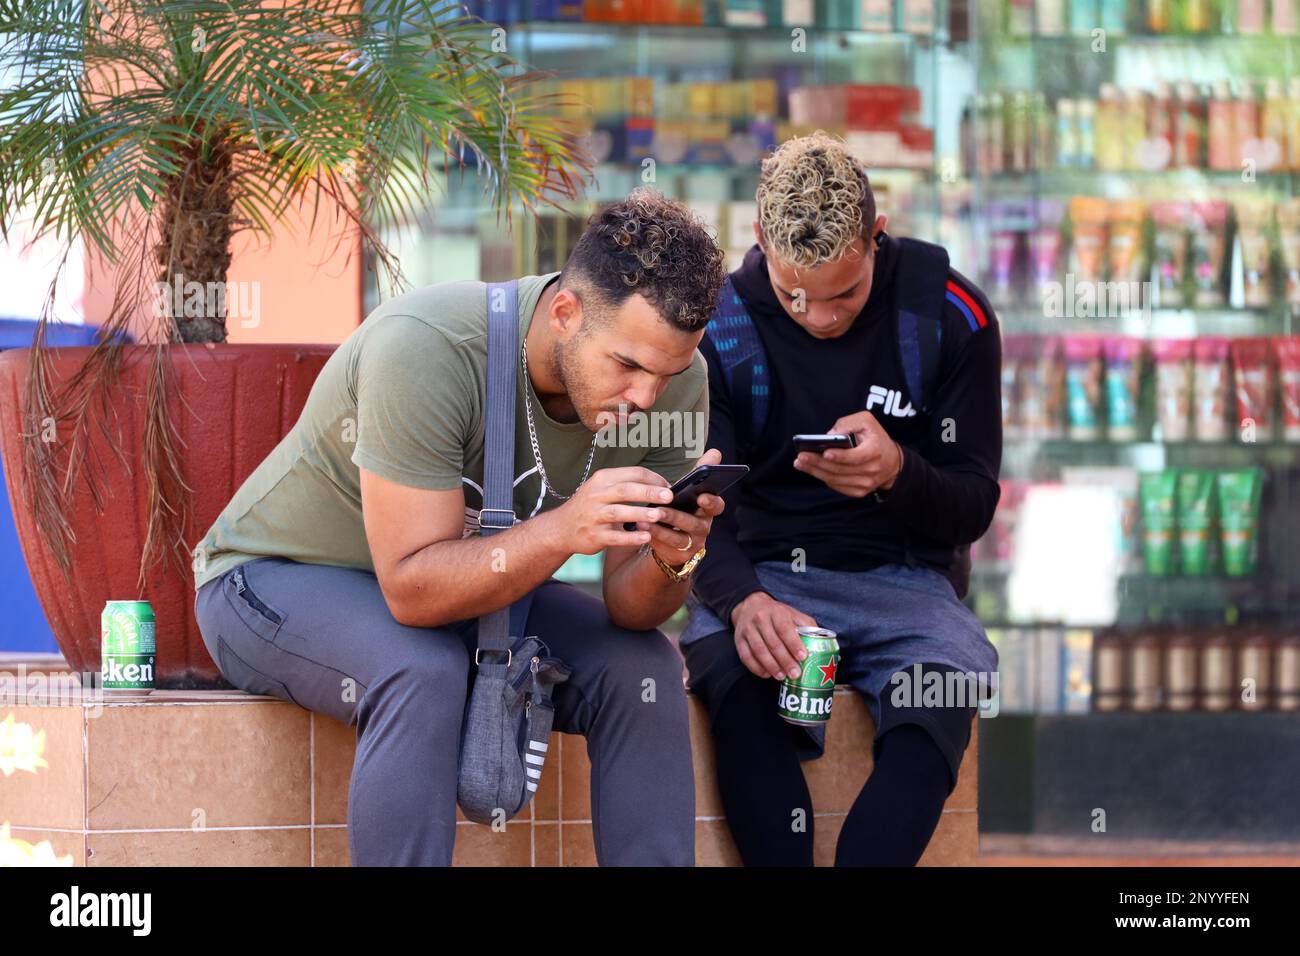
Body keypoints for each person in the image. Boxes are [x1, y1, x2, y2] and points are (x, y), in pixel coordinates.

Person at [192, 188, 728, 866]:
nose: (647, 396)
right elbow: (411, 592)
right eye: (627, 366)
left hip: (473, 593)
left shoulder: (677, 384)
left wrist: (671, 557)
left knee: (640, 668)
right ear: (565, 313)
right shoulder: (429, 346)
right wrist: (565, 530)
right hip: (273, 582)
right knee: (420, 671)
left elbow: (631, 610)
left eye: (667, 371)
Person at [681, 132, 1003, 866]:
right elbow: (692, 512)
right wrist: (743, 604)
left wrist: (899, 474)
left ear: (876, 236)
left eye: (845, 294)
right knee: (741, 692)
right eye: (796, 295)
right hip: (760, 573)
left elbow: (973, 504)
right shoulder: (715, 331)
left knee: (938, 703)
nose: (819, 317)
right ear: (759, 239)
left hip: (909, 589)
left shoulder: (950, 315)